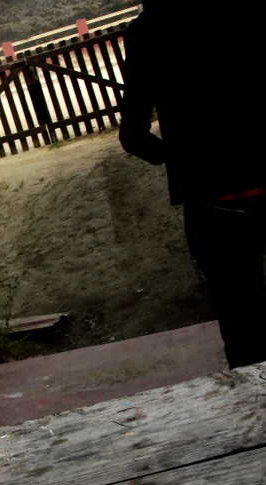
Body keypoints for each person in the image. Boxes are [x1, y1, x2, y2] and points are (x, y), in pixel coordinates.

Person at [119, 1, 266, 368]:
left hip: (213, 201)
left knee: (243, 329)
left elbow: (133, 137)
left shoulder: (147, 31)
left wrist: (184, 156)